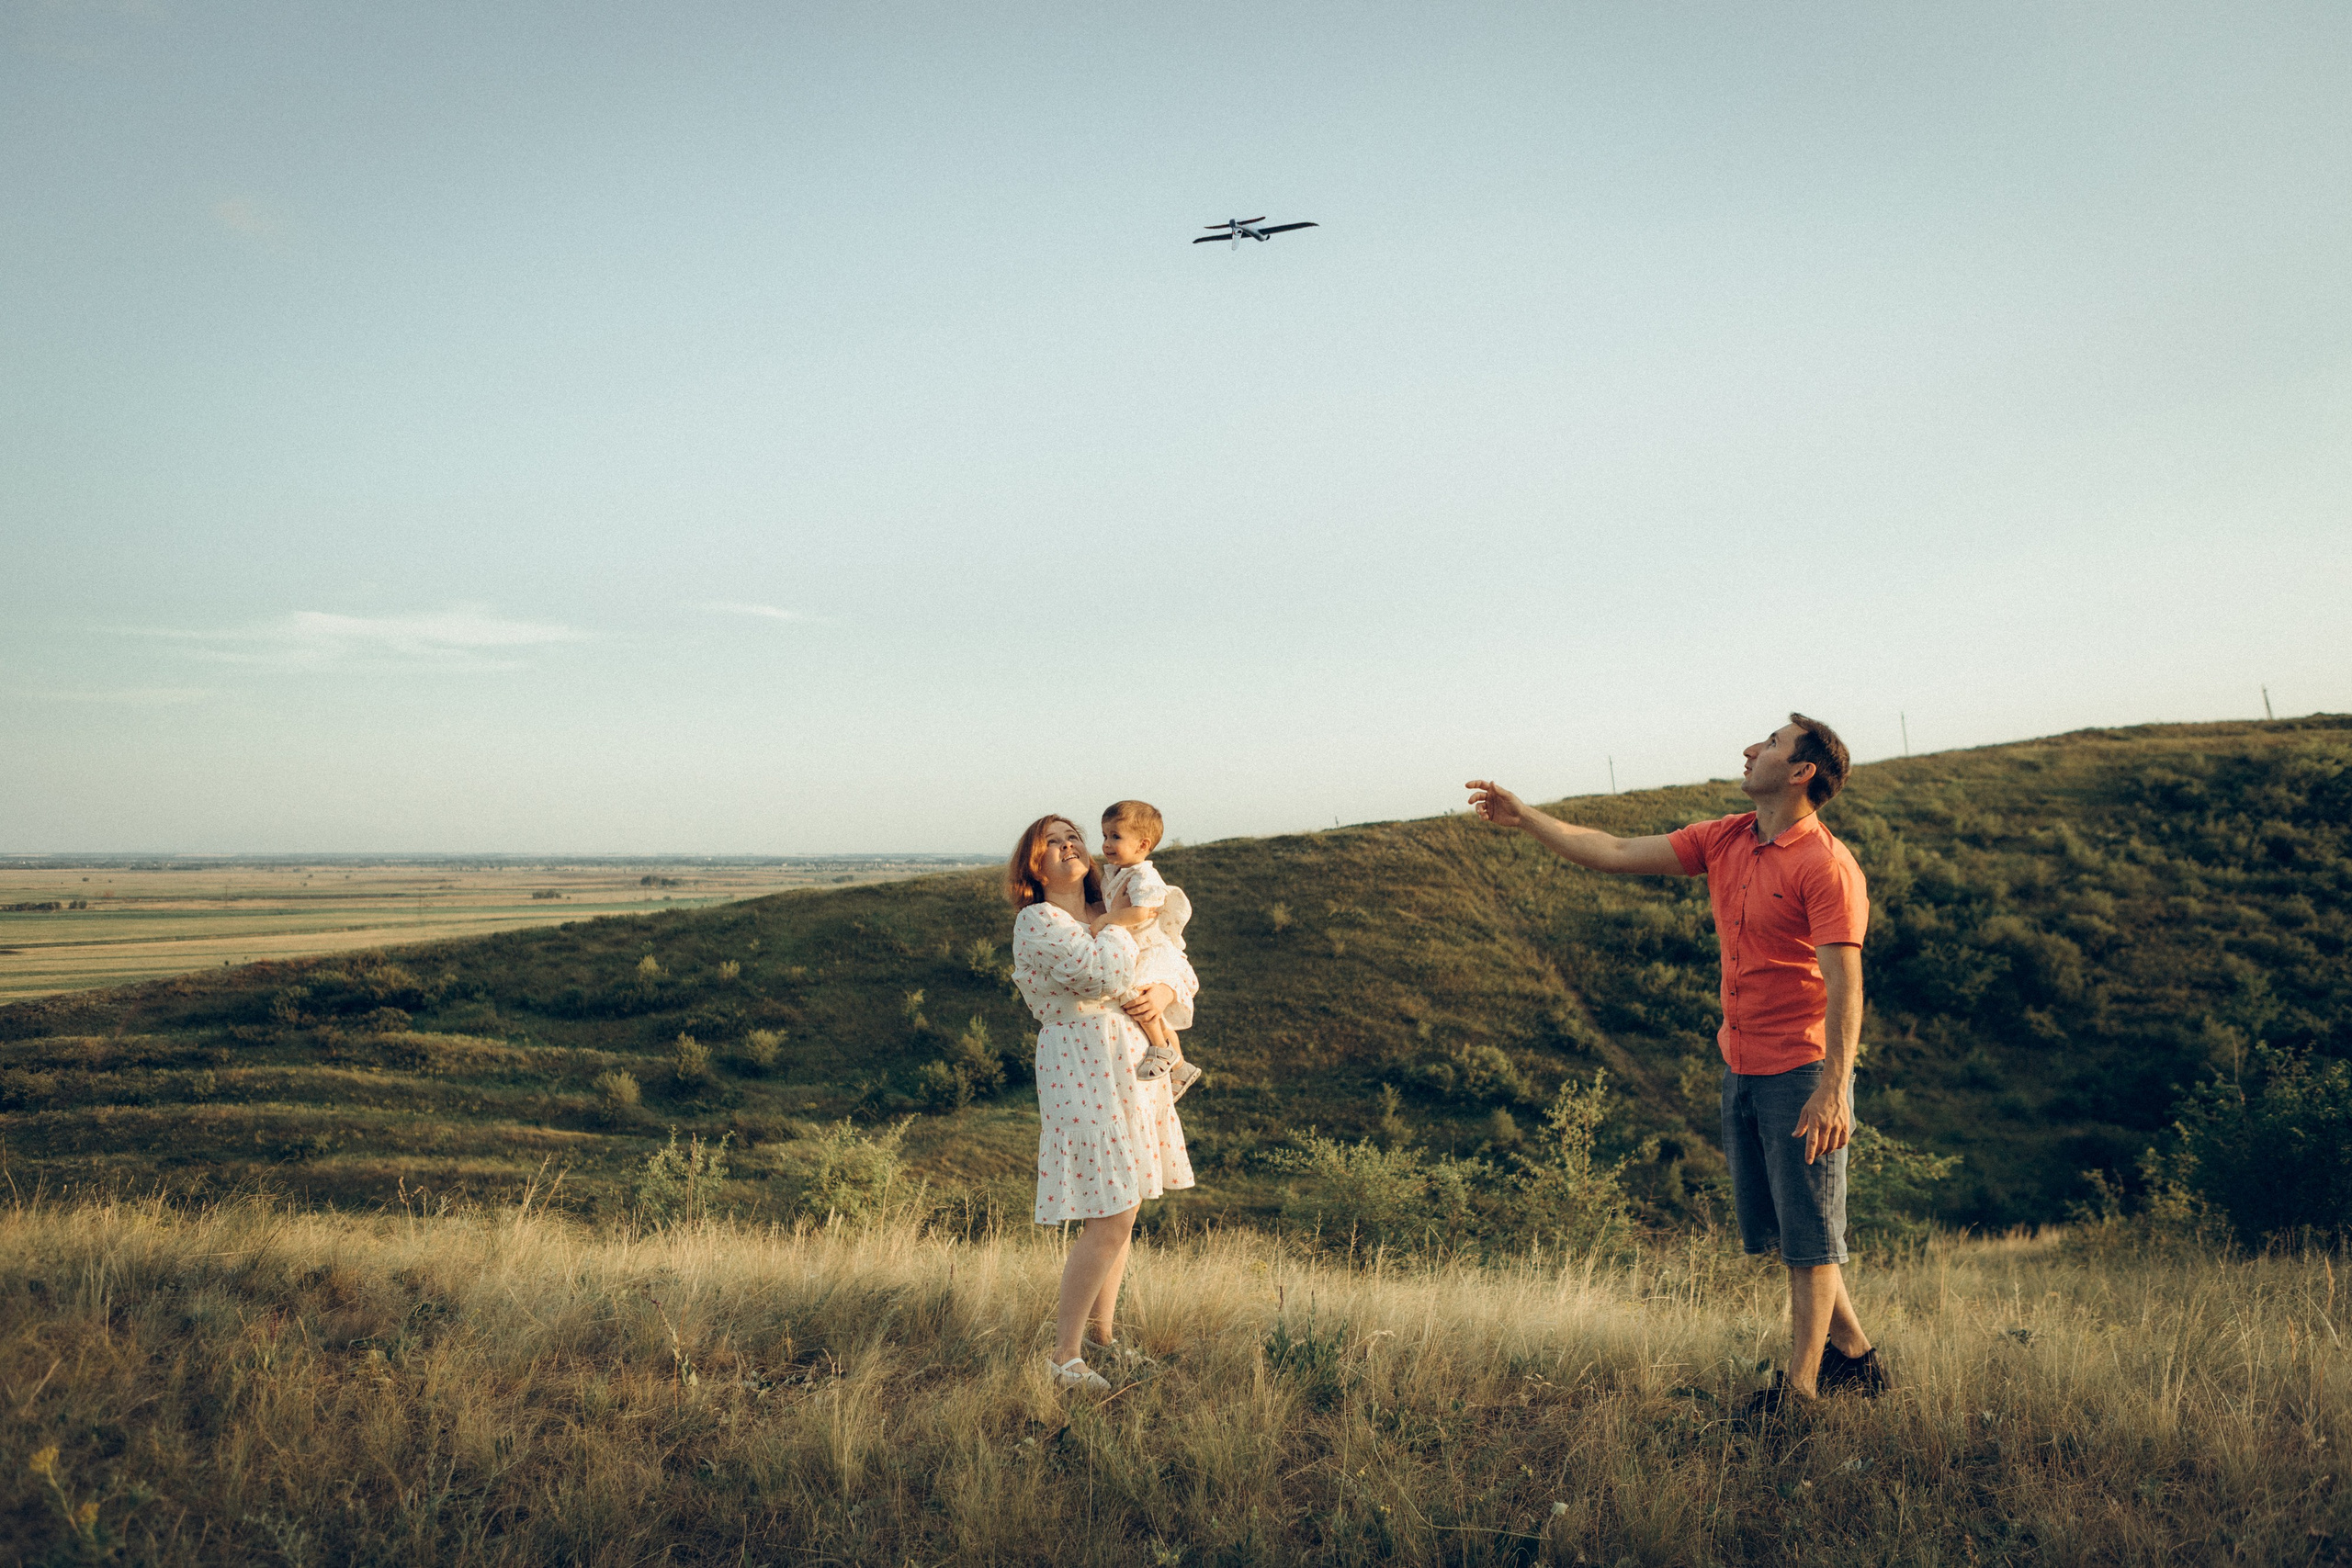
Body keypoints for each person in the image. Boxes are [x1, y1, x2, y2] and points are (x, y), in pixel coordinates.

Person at [1466, 715, 1889, 1410]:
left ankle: (1799, 1395)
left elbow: (1846, 984)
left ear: (1801, 771)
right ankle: (1858, 1360)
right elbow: (1612, 848)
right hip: (1744, 1063)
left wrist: (1835, 1089)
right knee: (1792, 1227)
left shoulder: (1827, 866)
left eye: (1772, 744)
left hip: (1803, 1070)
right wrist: (1527, 817)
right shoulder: (1726, 836)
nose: (1752, 749)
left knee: (1811, 1240)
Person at [1006, 814, 1195, 1393]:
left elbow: (1176, 963)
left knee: (1127, 1207)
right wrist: (1120, 927)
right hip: (1079, 1061)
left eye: (1073, 838)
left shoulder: (1112, 898)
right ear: (1033, 865)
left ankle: (1102, 1339)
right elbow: (1102, 975)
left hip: (1132, 1061)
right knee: (1109, 1210)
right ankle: (1063, 1357)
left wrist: (1161, 988)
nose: (1068, 846)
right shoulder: (1039, 920)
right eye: (1052, 842)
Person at [1089, 799, 1204, 1099]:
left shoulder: (1143, 875)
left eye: (1116, 836)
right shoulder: (1117, 872)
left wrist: (1106, 919)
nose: (1107, 844)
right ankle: (1179, 1065)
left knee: (1135, 992)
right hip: (1141, 948)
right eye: (1104, 835)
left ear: (1142, 844)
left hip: (1152, 948)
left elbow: (1142, 912)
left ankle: (1161, 1049)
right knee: (1143, 1001)